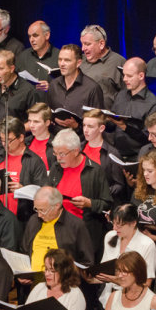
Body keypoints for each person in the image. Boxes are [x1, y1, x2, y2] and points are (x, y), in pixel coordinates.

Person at [48, 128, 112, 260]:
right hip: (56, 230)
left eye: (62, 154)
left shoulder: (94, 171)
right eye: (55, 154)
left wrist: (90, 203)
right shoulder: (56, 168)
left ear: (76, 151)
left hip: (83, 234)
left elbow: (107, 204)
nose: (58, 158)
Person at [0, 117, 47, 223]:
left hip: (22, 219)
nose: (4, 144)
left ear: (21, 137)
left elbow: (43, 193)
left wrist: (24, 190)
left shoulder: (34, 161)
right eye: (2, 140)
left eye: (9, 140)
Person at [22, 186, 95, 271]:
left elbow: (87, 262)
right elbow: (24, 250)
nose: (39, 215)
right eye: (36, 209)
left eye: (43, 210)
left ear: (57, 205)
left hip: (63, 282)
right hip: (32, 279)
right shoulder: (34, 220)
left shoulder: (76, 225)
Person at [109, 57, 156, 161]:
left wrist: (125, 127)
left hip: (140, 157)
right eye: (124, 75)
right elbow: (112, 126)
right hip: (117, 154)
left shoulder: (153, 102)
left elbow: (150, 137)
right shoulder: (121, 95)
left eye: (129, 76)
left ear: (141, 76)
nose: (124, 79)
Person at [98, 204, 156, 295]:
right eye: (113, 223)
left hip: (133, 297)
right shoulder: (110, 236)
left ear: (133, 223)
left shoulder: (147, 244)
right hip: (107, 295)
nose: (114, 228)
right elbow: (103, 272)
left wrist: (119, 281)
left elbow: (147, 283)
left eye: (119, 225)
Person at [46, 44, 104, 130]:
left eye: (67, 60)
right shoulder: (54, 85)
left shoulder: (92, 88)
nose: (62, 64)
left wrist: (76, 126)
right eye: (60, 59)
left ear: (78, 63)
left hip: (80, 140)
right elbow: (48, 114)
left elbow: (98, 124)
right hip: (56, 138)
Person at [81, 109, 126, 203]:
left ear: (101, 128)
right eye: (84, 125)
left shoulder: (112, 153)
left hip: (100, 204)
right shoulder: (78, 148)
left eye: (90, 127)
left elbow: (119, 184)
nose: (85, 130)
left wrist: (101, 194)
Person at [79, 24, 126, 109]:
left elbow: (127, 94)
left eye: (87, 44)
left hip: (106, 119)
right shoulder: (80, 61)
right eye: (82, 44)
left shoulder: (118, 62)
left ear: (101, 44)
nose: (83, 48)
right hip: (80, 117)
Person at [15, 20, 59, 100]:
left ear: (47, 35)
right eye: (29, 36)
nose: (31, 40)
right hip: (27, 106)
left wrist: (51, 88)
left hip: (49, 106)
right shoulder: (23, 56)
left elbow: (68, 87)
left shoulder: (59, 57)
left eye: (35, 35)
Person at [0, 49, 36, 122]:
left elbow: (34, 121)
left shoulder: (27, 90)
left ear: (12, 69)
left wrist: (14, 131)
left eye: (0, 68)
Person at [24, 102, 56, 171]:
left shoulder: (56, 144)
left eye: (36, 122)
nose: (31, 125)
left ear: (47, 123)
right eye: (29, 121)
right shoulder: (24, 142)